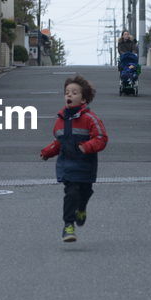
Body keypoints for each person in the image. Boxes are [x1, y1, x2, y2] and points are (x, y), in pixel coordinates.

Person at [39, 75, 109, 243]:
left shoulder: (90, 119)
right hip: (67, 165)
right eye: (67, 92)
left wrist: (87, 146)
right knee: (71, 192)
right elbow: (59, 142)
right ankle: (68, 225)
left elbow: (101, 137)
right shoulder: (60, 121)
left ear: (83, 98)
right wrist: (48, 152)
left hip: (86, 165)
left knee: (85, 191)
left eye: (74, 92)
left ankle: (82, 208)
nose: (69, 95)